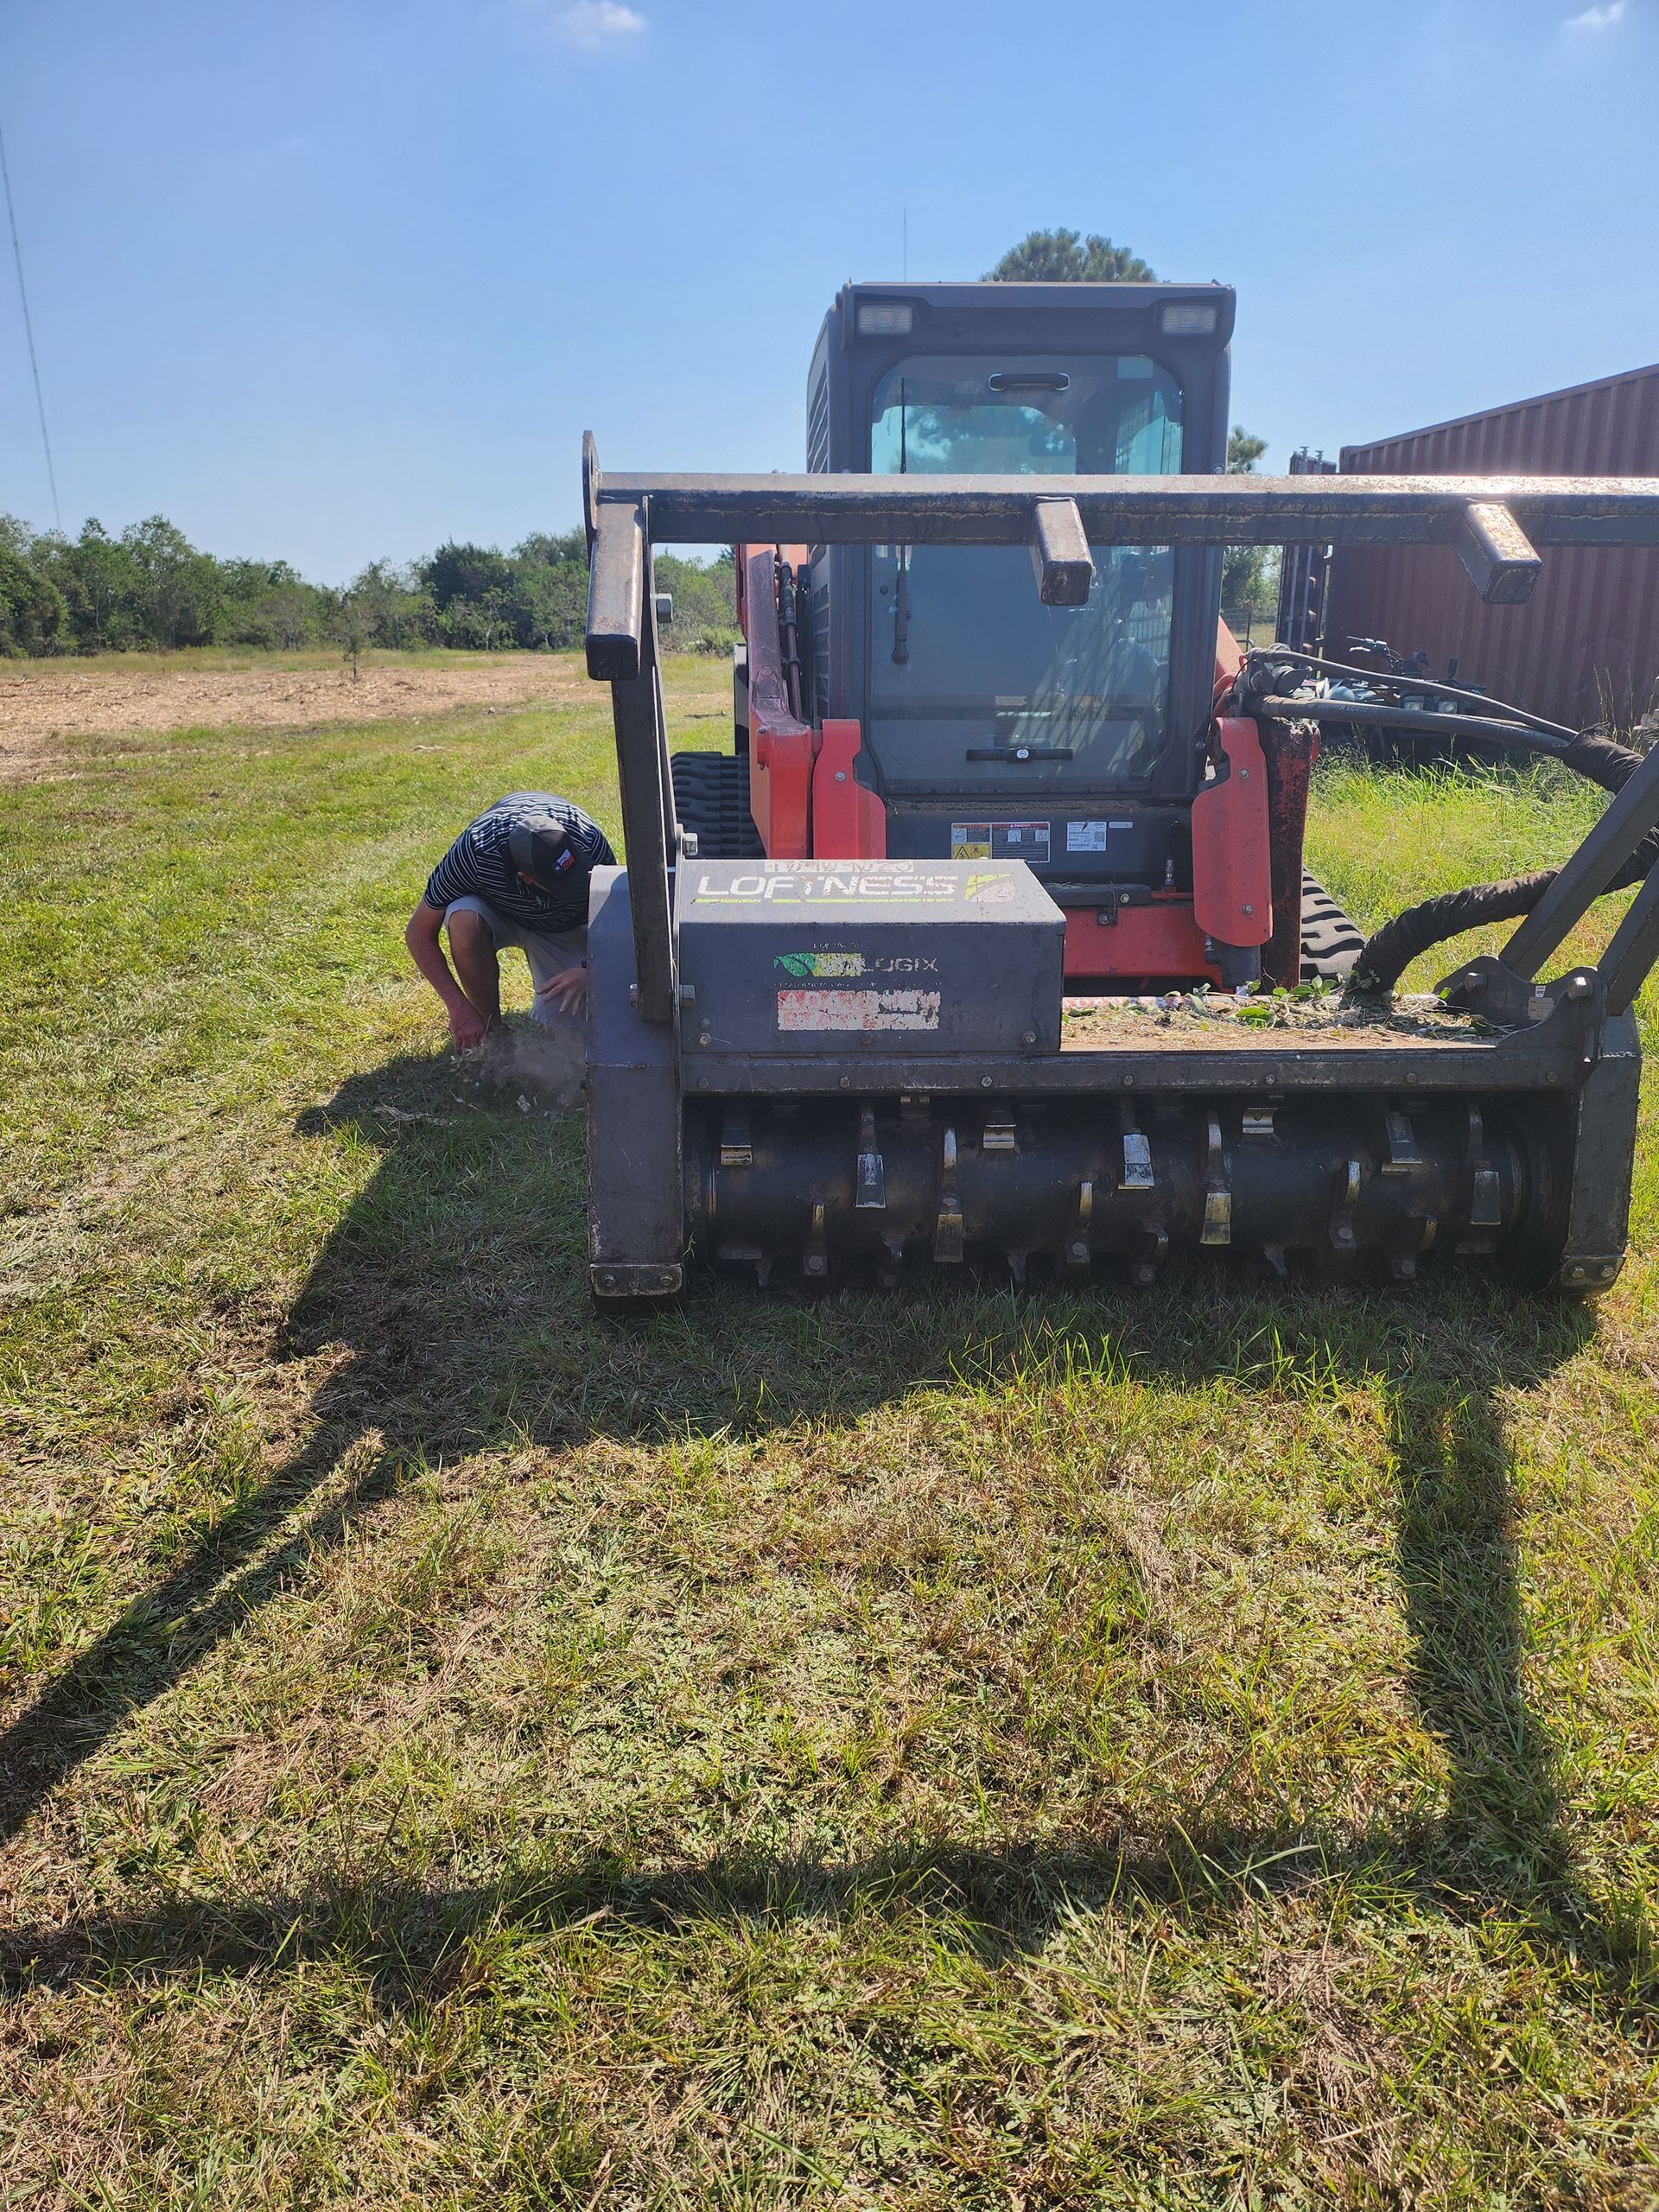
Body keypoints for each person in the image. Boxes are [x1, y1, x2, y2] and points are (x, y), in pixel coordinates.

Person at [404, 791, 615, 1052]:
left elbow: (617, 918)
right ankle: (492, 1033)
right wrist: (458, 1007)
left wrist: (589, 970)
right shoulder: (475, 852)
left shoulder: (588, 839)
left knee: (576, 1041)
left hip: (564, 926)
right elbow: (418, 933)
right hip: (501, 911)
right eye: (562, 886)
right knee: (463, 920)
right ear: (525, 878)